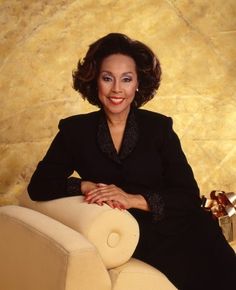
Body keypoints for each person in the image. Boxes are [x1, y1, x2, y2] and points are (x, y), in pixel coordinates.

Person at [28, 33, 236, 289]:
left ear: (138, 83)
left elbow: (187, 195)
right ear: (95, 81)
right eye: (107, 78)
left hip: (186, 230)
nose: (117, 89)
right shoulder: (75, 131)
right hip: (129, 235)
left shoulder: (159, 127)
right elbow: (39, 185)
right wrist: (85, 186)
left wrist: (132, 199)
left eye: (126, 79)